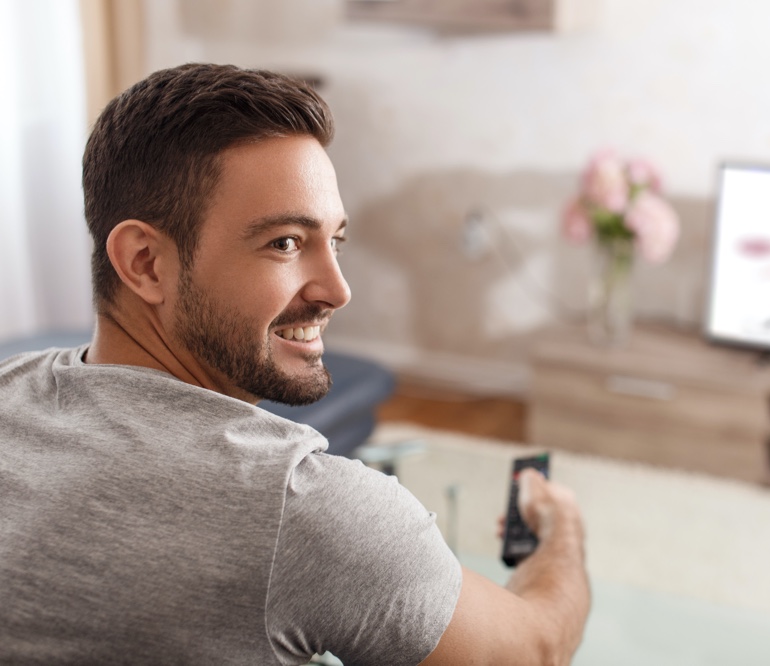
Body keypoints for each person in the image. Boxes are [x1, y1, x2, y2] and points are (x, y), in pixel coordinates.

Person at [0, 63, 590, 665]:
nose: (338, 290)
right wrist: (562, 532)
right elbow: (536, 649)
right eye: (284, 242)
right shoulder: (305, 511)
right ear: (146, 262)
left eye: (335, 241)